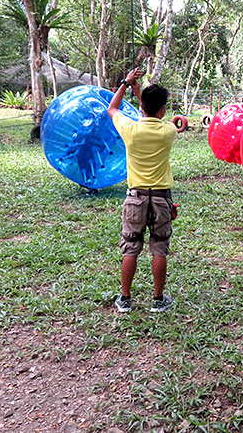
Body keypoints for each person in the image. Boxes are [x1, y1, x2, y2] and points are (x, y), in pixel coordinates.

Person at [107, 68, 177, 313]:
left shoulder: (131, 130)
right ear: (163, 109)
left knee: (130, 248)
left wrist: (126, 84)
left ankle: (125, 299)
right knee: (159, 248)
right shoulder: (169, 131)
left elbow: (113, 109)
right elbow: (152, 115)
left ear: (143, 108)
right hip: (161, 199)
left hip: (134, 199)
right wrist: (142, 96)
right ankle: (158, 300)